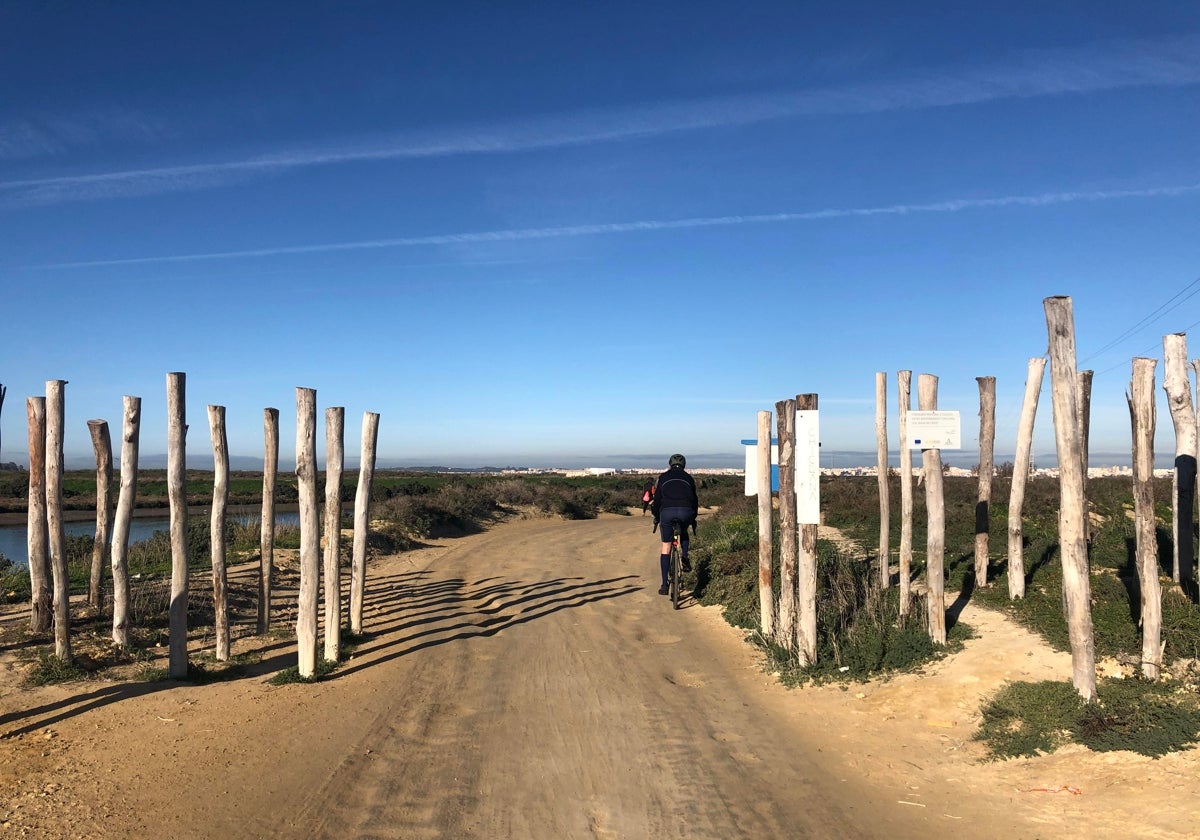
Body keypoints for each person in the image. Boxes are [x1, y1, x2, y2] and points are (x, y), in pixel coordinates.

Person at [650, 453, 699, 596]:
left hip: (667, 511)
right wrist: (693, 517)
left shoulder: (663, 477)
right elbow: (694, 500)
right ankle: (684, 556)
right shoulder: (689, 478)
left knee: (666, 545)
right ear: (684, 465)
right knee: (683, 532)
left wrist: (657, 516)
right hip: (686, 511)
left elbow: (657, 500)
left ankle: (664, 585)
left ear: (669, 464)